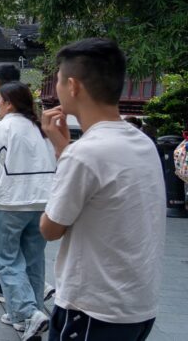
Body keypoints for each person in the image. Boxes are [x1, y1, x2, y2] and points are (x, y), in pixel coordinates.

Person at [39, 39, 164, 340]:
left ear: (73, 86)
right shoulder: (142, 142)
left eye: (58, 80)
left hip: (91, 309)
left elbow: (50, 229)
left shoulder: (85, 153)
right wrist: (64, 150)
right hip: (137, 306)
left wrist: (65, 155)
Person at [0, 82, 56, 340]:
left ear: (8, 103)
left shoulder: (1, 129)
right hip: (41, 204)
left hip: (9, 204)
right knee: (34, 259)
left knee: (8, 261)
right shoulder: (41, 130)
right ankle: (27, 312)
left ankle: (28, 312)